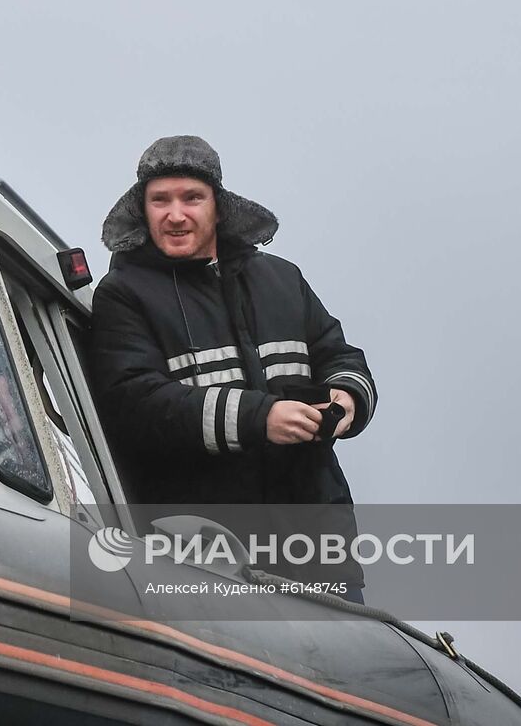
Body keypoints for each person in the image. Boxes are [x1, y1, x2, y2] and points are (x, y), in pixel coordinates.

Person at [90, 135, 376, 601]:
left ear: (218, 207)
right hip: (201, 558)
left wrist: (346, 399)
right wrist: (260, 418)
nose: (175, 215)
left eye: (192, 198)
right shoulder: (122, 294)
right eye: (159, 200)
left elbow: (341, 356)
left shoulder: (283, 279)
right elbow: (134, 403)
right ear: (142, 211)